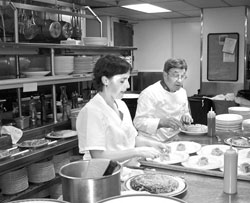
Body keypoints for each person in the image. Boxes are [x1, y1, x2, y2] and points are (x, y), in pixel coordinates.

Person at [76, 54, 169, 163]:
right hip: (103, 175)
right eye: (122, 81)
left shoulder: (121, 105)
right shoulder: (92, 111)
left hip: (126, 168)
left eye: (128, 80)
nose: (128, 85)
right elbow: (98, 156)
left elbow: (131, 138)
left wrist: (153, 144)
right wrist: (137, 151)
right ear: (105, 80)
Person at [133, 58, 193, 142]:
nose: (179, 80)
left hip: (174, 138)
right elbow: (138, 122)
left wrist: (186, 116)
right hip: (153, 141)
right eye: (175, 76)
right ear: (165, 75)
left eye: (182, 76)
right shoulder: (149, 93)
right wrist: (161, 122)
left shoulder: (182, 92)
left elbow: (184, 111)